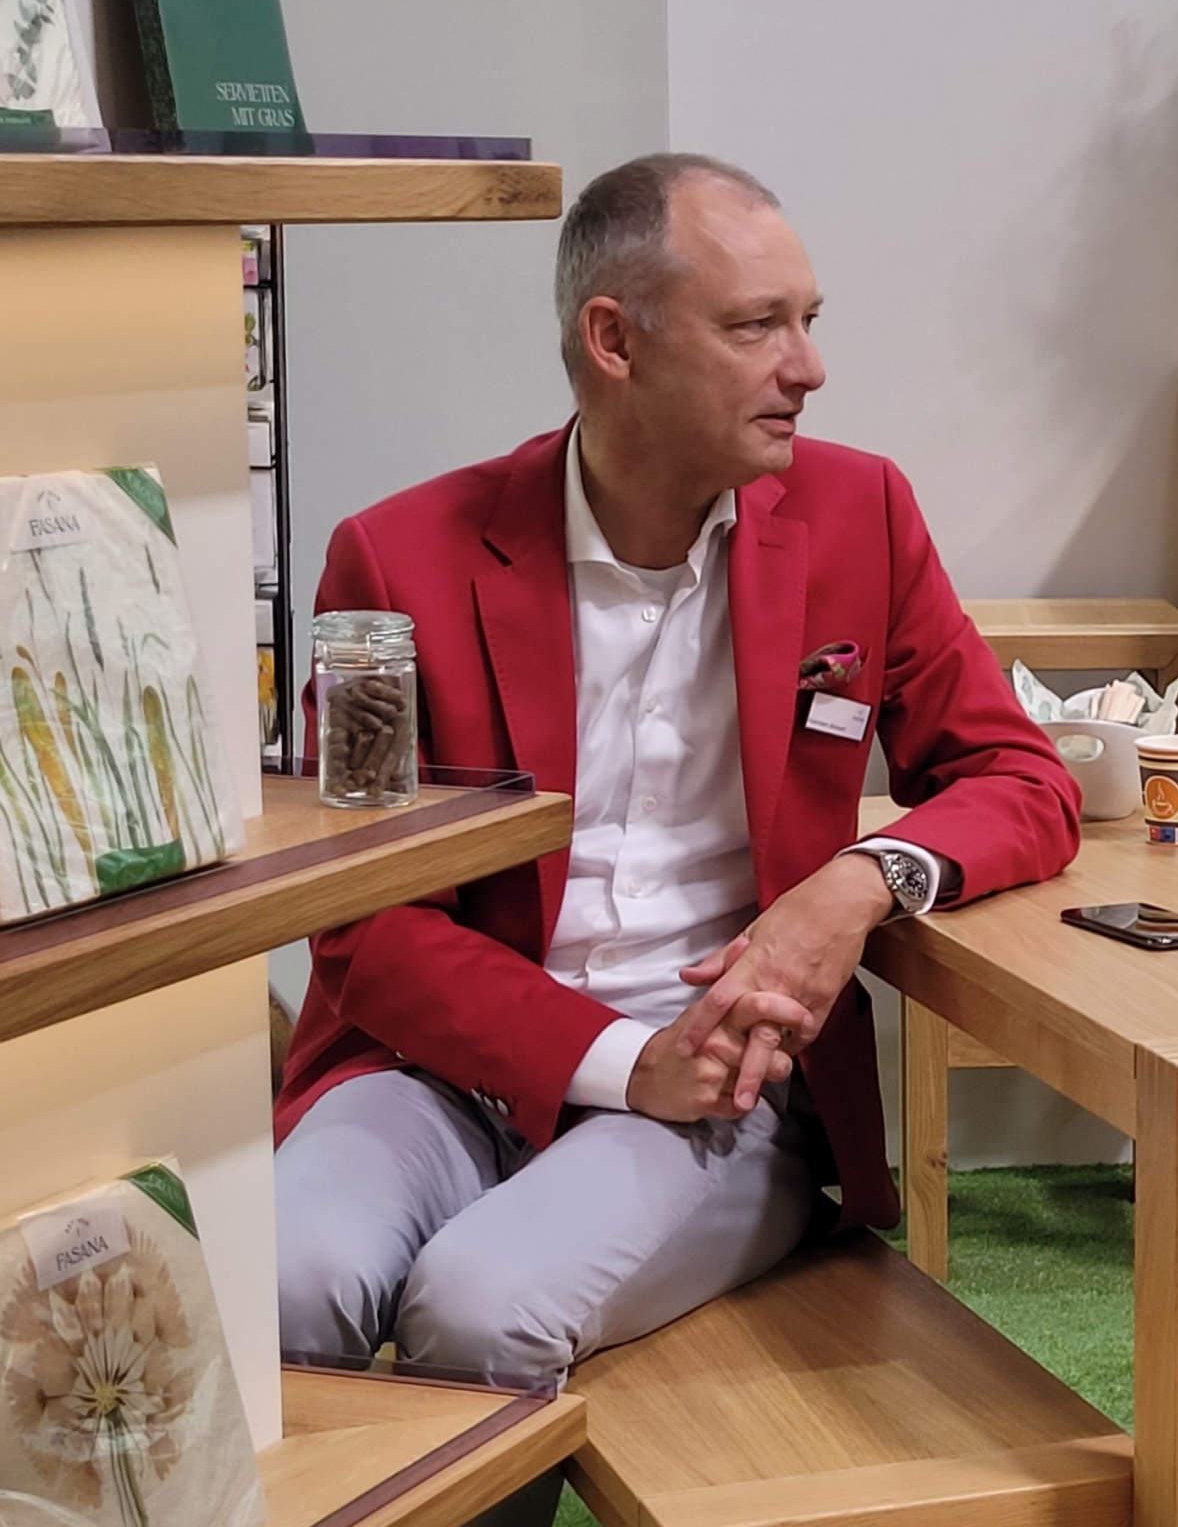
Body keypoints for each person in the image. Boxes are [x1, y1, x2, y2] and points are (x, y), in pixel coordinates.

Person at [273, 154, 1080, 1391]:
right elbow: (364, 924)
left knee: (480, 1310)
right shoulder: (395, 560)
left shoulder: (859, 514)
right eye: (757, 327)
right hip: (435, 1072)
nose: (808, 367)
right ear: (615, 341)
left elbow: (1019, 777)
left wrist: (860, 882)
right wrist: (614, 1062)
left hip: (724, 1083)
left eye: (808, 320)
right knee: (280, 1283)